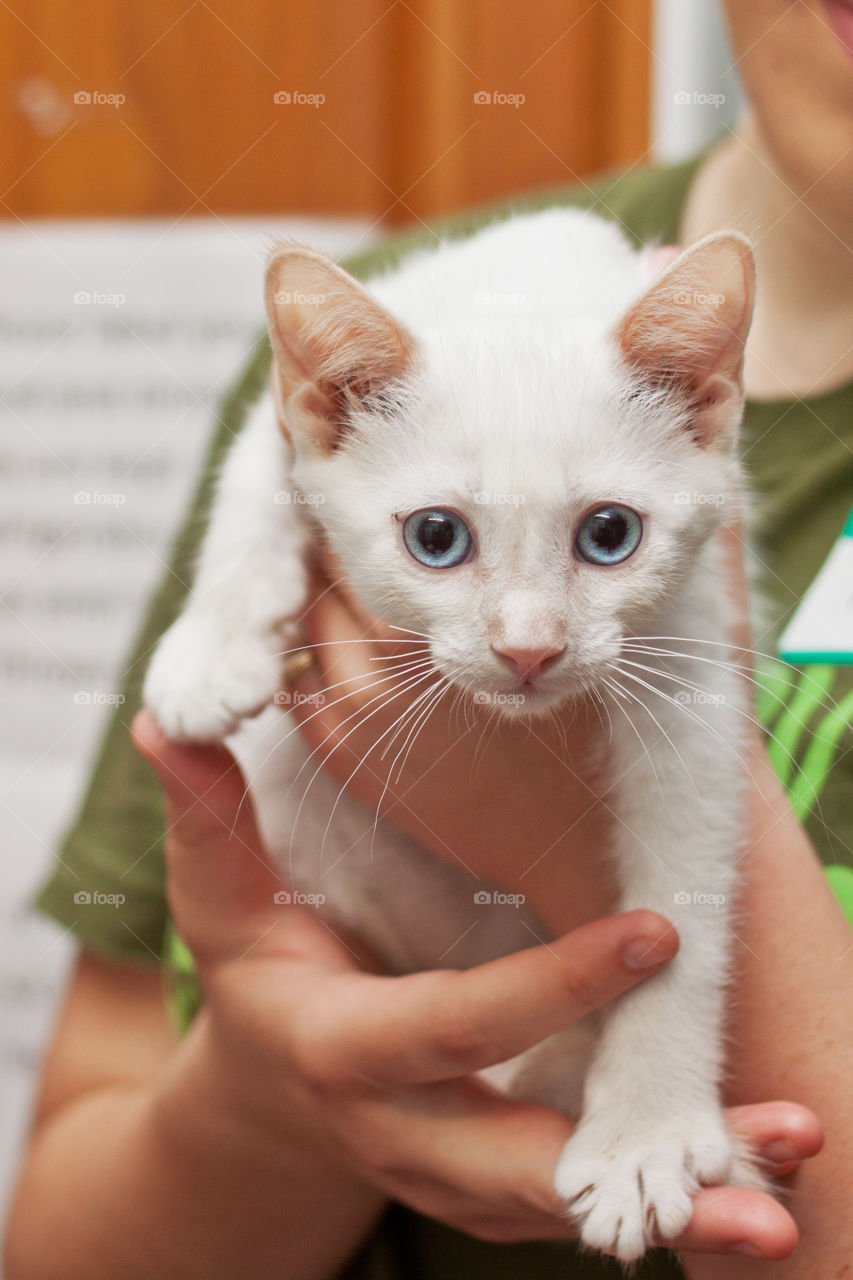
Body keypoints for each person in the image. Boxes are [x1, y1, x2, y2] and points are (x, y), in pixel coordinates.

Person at [6, 1, 853, 1275]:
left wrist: (557, 849)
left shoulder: (634, 380)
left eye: (607, 535)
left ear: (700, 404)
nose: (525, 640)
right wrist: (269, 1092)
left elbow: (686, 779)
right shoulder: (423, 319)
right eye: (442, 543)